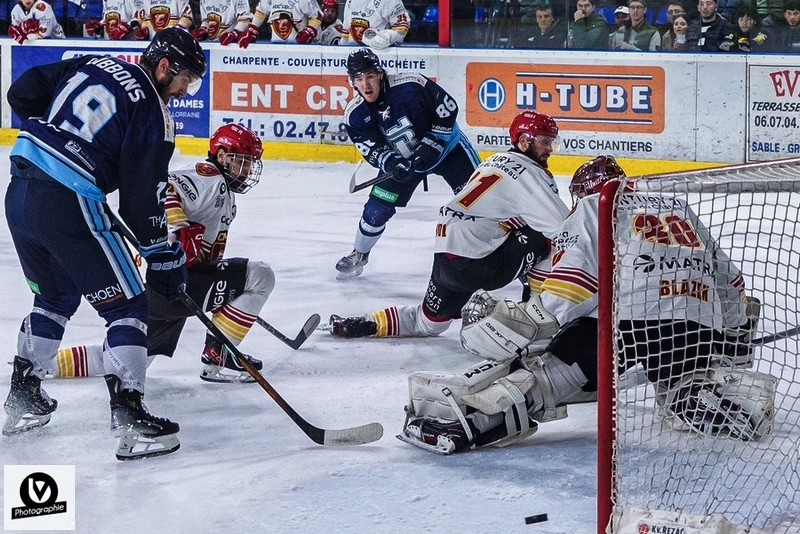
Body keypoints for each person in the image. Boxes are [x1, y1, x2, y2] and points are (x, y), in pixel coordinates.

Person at [399, 156, 774, 454]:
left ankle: (469, 425)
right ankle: (699, 389)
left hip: (626, 319)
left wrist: (539, 320)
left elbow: (579, 280)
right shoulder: (675, 206)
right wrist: (733, 338)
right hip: (695, 323)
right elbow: (729, 280)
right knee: (681, 385)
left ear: (584, 192)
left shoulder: (594, 205)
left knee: (544, 378)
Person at [2, 28, 206, 461]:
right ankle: (130, 415)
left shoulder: (94, 61)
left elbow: (22, 92)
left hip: (19, 191)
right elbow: (140, 197)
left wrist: (59, 142)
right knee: (128, 306)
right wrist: (162, 257)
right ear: (164, 66)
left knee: (54, 297)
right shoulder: (154, 110)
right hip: (67, 200)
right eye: (186, 78)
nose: (186, 89)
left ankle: (22, 400)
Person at [53, 124, 273, 384]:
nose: (247, 170)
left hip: (160, 286)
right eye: (242, 162)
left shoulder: (220, 188)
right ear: (223, 156)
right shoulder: (210, 178)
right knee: (260, 276)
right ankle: (220, 355)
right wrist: (177, 230)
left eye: (250, 164)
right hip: (173, 282)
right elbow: (165, 188)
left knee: (125, 356)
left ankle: (47, 363)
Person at [326, 109, 569, 339]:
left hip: (447, 257)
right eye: (544, 142)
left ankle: (360, 323)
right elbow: (564, 229)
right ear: (524, 142)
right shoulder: (530, 173)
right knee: (548, 238)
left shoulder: (492, 162)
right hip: (480, 263)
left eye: (551, 142)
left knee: (427, 323)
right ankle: (537, 318)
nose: (549, 148)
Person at [334, 48, 480, 280]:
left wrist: (430, 146)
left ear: (381, 73)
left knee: (478, 200)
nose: (366, 85)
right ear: (351, 81)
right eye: (359, 79)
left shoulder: (411, 85)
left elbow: (448, 108)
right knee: (376, 210)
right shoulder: (355, 114)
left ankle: (505, 251)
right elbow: (370, 148)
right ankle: (359, 254)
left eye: (370, 76)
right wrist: (391, 163)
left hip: (449, 150)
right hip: (405, 162)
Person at [231, 0, 322, 47]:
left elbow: (317, 15)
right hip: (276, 45)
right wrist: (252, 29)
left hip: (299, 47)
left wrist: (309, 30)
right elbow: (261, 12)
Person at [339, 0, 410, 48]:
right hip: (353, 52)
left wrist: (384, 39)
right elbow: (346, 31)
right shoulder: (350, 1)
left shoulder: (390, 1)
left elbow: (401, 28)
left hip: (380, 54)